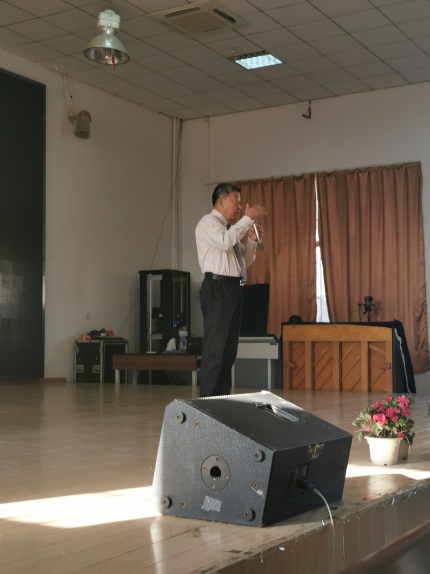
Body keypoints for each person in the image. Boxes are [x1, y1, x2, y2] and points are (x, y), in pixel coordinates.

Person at [195, 182, 267, 397]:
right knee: (215, 351)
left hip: (233, 289)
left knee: (228, 352)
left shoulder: (229, 229)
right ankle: (208, 404)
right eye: (236, 201)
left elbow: (243, 260)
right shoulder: (208, 223)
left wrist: (251, 240)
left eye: (240, 202)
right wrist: (247, 219)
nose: (239, 206)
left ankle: (222, 400)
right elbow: (225, 242)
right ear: (220, 201)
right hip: (217, 288)